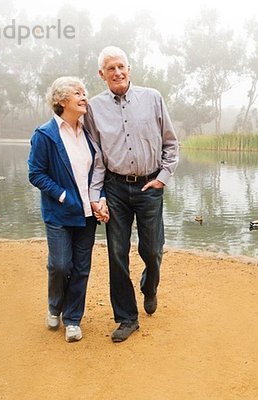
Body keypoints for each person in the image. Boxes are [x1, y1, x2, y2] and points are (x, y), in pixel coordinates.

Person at [85, 46, 179, 343]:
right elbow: (97, 156)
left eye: (121, 66)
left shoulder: (152, 98)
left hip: (149, 185)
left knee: (152, 250)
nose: (117, 72)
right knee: (116, 253)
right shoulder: (94, 109)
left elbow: (171, 143)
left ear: (130, 69)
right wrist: (96, 194)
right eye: (110, 68)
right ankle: (127, 317)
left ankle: (150, 286)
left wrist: (163, 178)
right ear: (102, 75)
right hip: (114, 188)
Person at [28, 76, 108, 343]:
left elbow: (98, 171)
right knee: (61, 265)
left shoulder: (89, 133)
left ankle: (73, 319)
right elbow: (36, 174)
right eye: (78, 93)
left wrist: (101, 198)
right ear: (62, 101)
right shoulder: (45, 135)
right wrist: (63, 195)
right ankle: (54, 306)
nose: (85, 97)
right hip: (59, 214)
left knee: (81, 268)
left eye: (84, 92)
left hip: (87, 213)